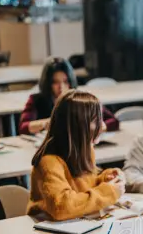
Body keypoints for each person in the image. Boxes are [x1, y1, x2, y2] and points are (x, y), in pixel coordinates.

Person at [28, 90, 126, 220]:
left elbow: (85, 187)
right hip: (47, 230)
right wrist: (109, 191)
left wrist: (105, 179)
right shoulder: (48, 161)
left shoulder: (86, 149)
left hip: (79, 224)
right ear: (77, 125)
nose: (101, 126)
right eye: (95, 120)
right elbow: (62, 207)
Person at [19, 57, 119, 135]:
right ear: (47, 83)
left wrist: (100, 127)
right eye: (55, 82)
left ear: (71, 81)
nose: (61, 87)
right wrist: (47, 124)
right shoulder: (37, 100)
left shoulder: (79, 99)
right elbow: (23, 127)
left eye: (65, 81)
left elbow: (114, 121)